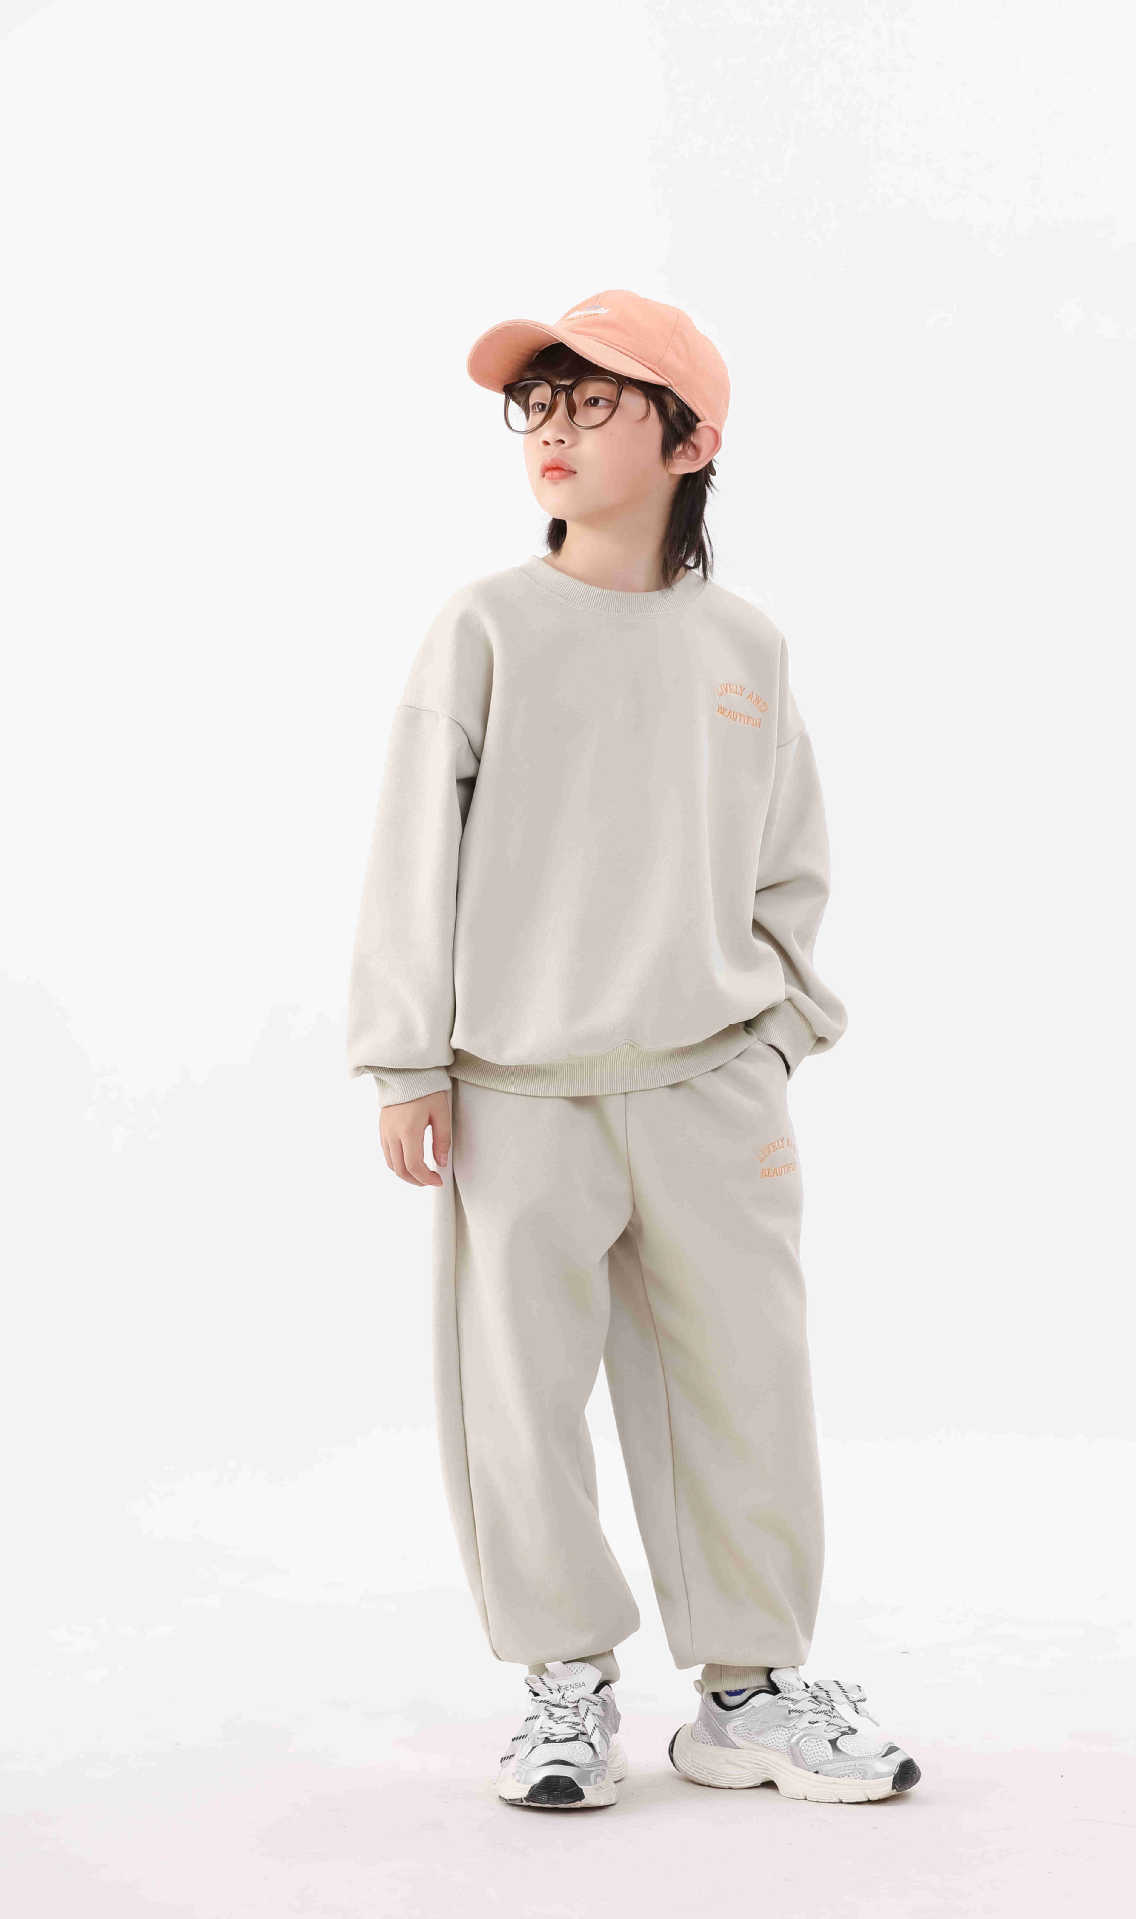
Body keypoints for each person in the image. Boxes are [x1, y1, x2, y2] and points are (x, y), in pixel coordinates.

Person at [346, 289, 921, 1810]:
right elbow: (411, 852)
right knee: (517, 1406)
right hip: (515, 1095)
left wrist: (775, 1036)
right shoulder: (484, 627)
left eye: (595, 403)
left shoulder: (745, 643)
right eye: (537, 406)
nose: (553, 429)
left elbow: (789, 862)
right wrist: (406, 1061)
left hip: (711, 1088)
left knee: (748, 1390)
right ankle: (564, 1686)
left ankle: (750, 1692)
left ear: (691, 441)